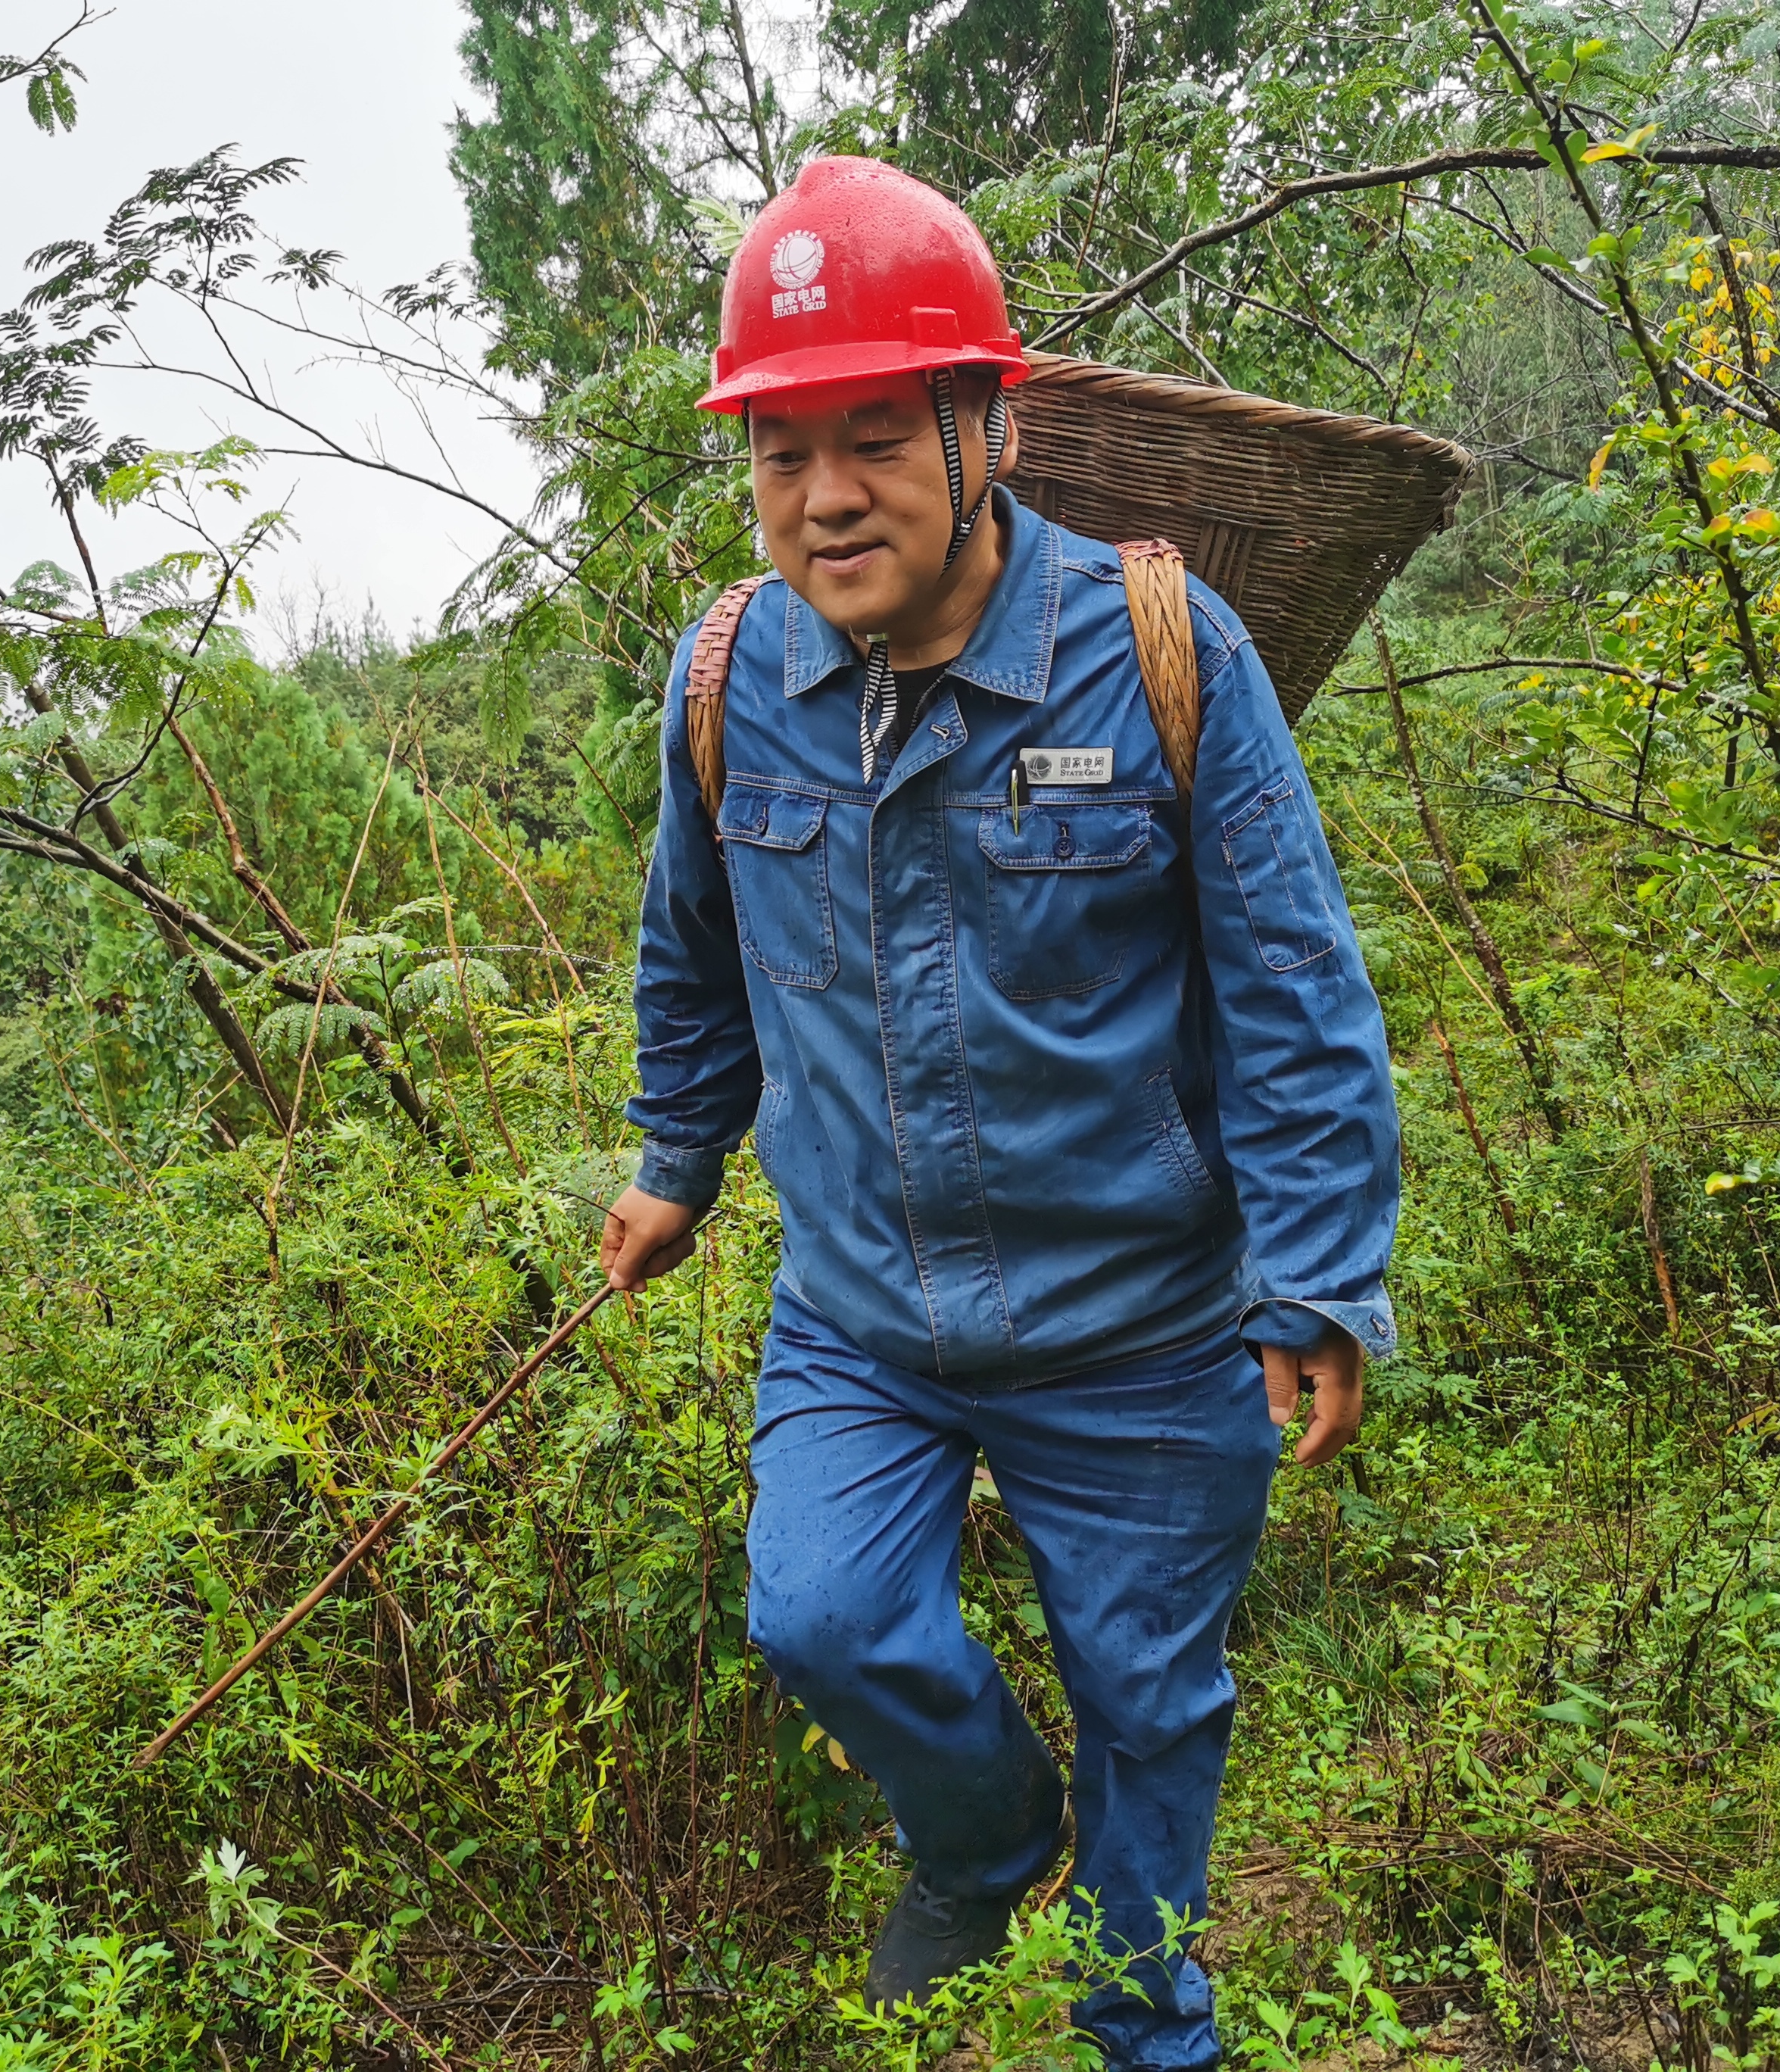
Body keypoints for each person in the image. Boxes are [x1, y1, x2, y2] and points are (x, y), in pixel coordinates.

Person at [597, 155, 1398, 2071]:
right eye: (782, 453)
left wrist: (1318, 1275)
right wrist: (671, 1165)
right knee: (818, 1614)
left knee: (1150, 1703)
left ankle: (1147, 2028)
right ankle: (983, 1833)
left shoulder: (1158, 648)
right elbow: (692, 964)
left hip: (1135, 1328)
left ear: (987, 427)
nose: (824, 498)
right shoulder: (729, 681)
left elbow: (1296, 994)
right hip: (865, 1317)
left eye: (874, 439)